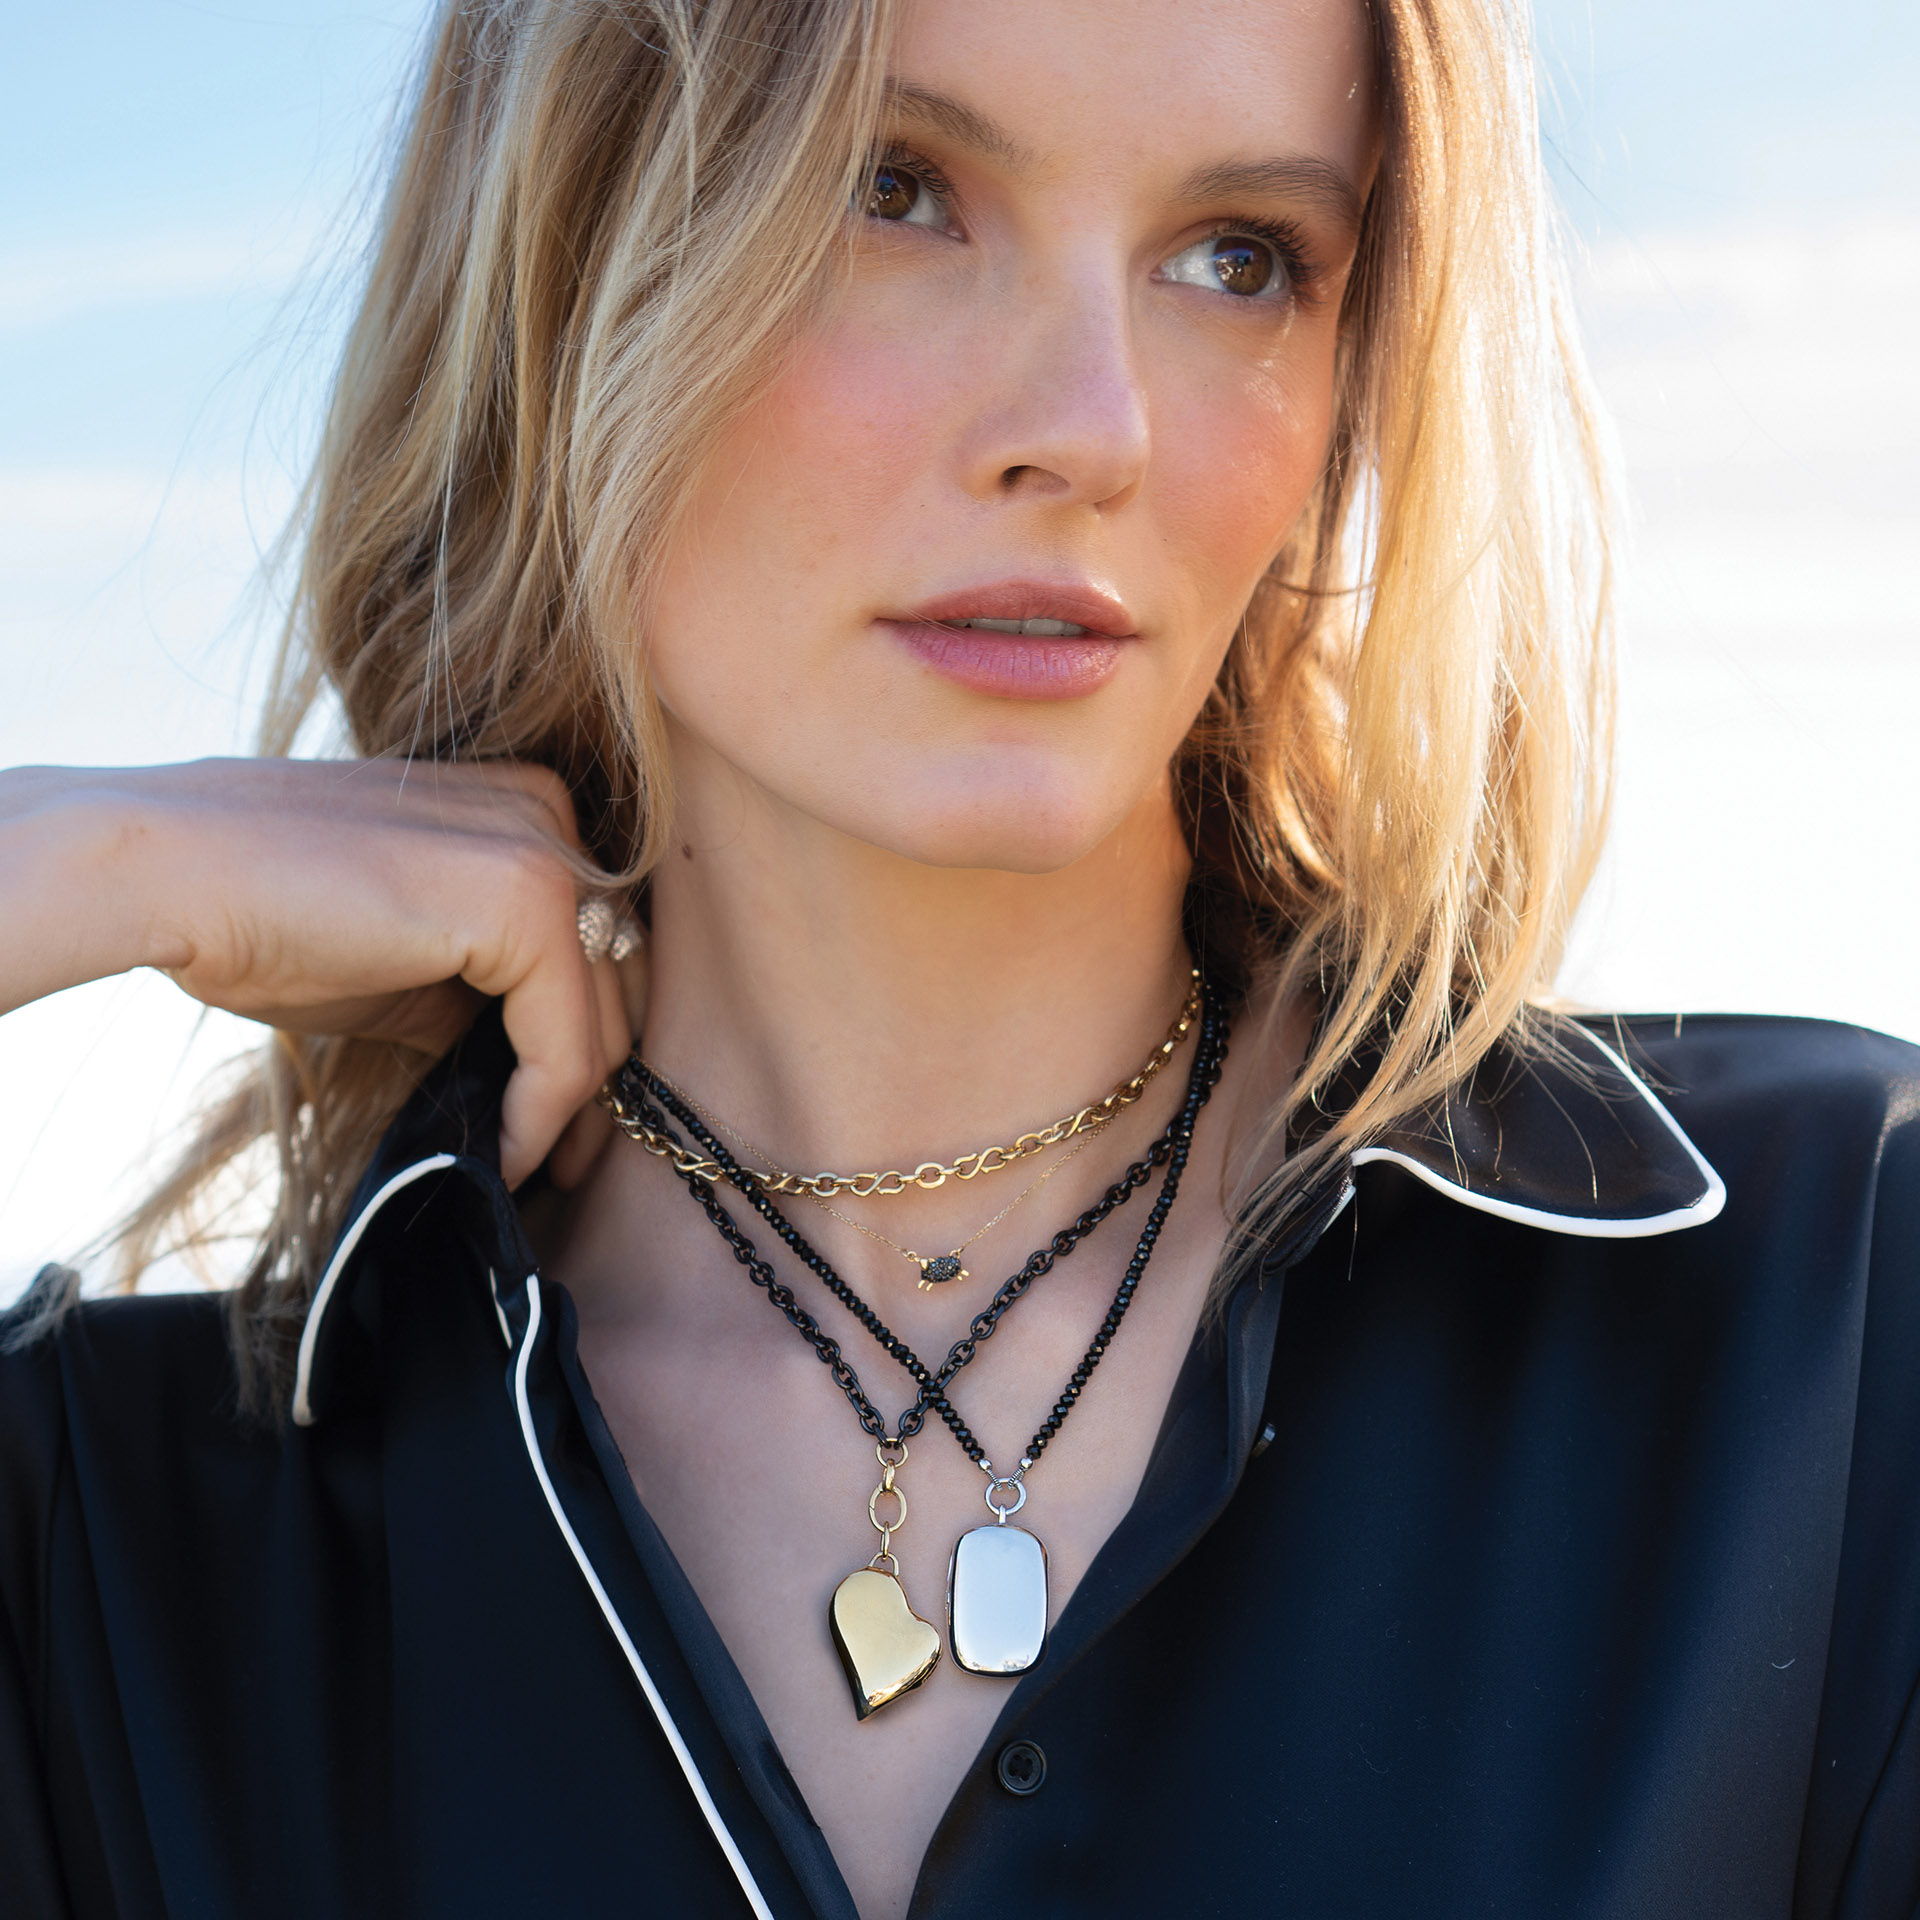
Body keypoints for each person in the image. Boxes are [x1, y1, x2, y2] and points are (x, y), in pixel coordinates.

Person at [1, 0, 1915, 1914]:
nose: (1094, 427)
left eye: (1240, 258)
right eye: (893, 192)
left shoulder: (1835, 1327)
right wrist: (76, 863)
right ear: (566, 255)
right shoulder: (104, 1536)